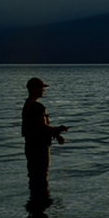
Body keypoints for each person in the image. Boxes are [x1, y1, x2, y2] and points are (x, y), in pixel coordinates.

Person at [21, 77, 69, 206]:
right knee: (40, 178)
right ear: (34, 89)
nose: (43, 90)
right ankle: (41, 205)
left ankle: (35, 207)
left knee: (34, 178)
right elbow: (42, 127)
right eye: (42, 87)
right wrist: (59, 128)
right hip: (38, 148)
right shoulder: (37, 106)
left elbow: (37, 127)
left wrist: (56, 134)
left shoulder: (28, 104)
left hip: (31, 146)